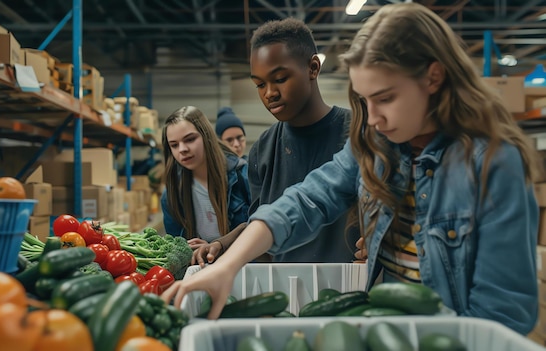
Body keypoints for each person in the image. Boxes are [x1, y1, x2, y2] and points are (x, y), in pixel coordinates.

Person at [163, 3, 541, 335]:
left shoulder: (493, 166)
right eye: (364, 101)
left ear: (433, 77)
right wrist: (228, 265)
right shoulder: (379, 148)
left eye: (385, 98)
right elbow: (305, 200)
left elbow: (503, 312)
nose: (372, 119)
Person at [193, 17, 356, 265]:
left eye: (280, 79)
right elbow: (263, 223)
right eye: (259, 84)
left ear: (313, 68)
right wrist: (222, 245)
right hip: (285, 289)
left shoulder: (357, 134)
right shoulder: (263, 150)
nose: (269, 93)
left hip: (352, 287)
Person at [160, 106, 251, 249]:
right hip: (201, 268)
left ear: (206, 136)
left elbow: (261, 231)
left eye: (190, 139)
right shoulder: (172, 195)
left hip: (244, 267)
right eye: (174, 145)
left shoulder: (243, 177)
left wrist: (217, 246)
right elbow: (177, 249)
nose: (182, 149)